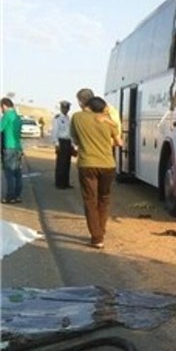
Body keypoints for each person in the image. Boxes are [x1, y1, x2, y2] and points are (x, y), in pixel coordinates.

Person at [71, 95, 122, 249]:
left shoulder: (77, 117)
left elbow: (75, 139)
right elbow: (119, 142)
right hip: (108, 165)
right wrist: (107, 121)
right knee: (104, 199)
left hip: (87, 165)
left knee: (90, 200)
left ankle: (97, 237)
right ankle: (101, 231)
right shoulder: (107, 121)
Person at [0, 97, 23, 204]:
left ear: (4, 106)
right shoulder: (17, 117)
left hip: (9, 147)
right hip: (18, 147)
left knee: (9, 173)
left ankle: (10, 196)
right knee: (17, 173)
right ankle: (17, 195)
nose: (1, 110)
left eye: (1, 108)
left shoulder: (6, 116)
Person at [51, 100, 75, 189]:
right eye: (64, 108)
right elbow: (55, 132)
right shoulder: (57, 118)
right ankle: (59, 183)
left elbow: (70, 133)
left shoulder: (68, 118)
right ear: (61, 108)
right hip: (61, 142)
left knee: (67, 164)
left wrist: (72, 145)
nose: (66, 110)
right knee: (61, 164)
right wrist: (56, 144)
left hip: (68, 142)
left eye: (67, 108)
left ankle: (66, 182)